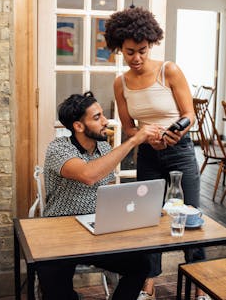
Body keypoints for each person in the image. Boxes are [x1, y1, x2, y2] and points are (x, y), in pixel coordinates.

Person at [105, 7, 207, 300]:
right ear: (119, 49)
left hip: (180, 152)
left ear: (150, 44)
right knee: (149, 218)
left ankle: (200, 288)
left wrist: (176, 132)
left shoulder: (169, 70)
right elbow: (126, 126)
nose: (136, 58)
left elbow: (190, 114)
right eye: (129, 52)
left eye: (142, 50)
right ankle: (148, 286)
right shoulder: (120, 83)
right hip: (148, 155)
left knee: (191, 218)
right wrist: (143, 137)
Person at [37, 91, 162, 300]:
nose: (106, 121)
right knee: (56, 290)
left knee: (141, 265)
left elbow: (109, 190)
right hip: (59, 232)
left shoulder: (104, 147)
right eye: (97, 118)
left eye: (103, 115)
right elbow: (88, 175)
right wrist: (133, 141)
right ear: (78, 126)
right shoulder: (58, 148)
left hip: (97, 230)